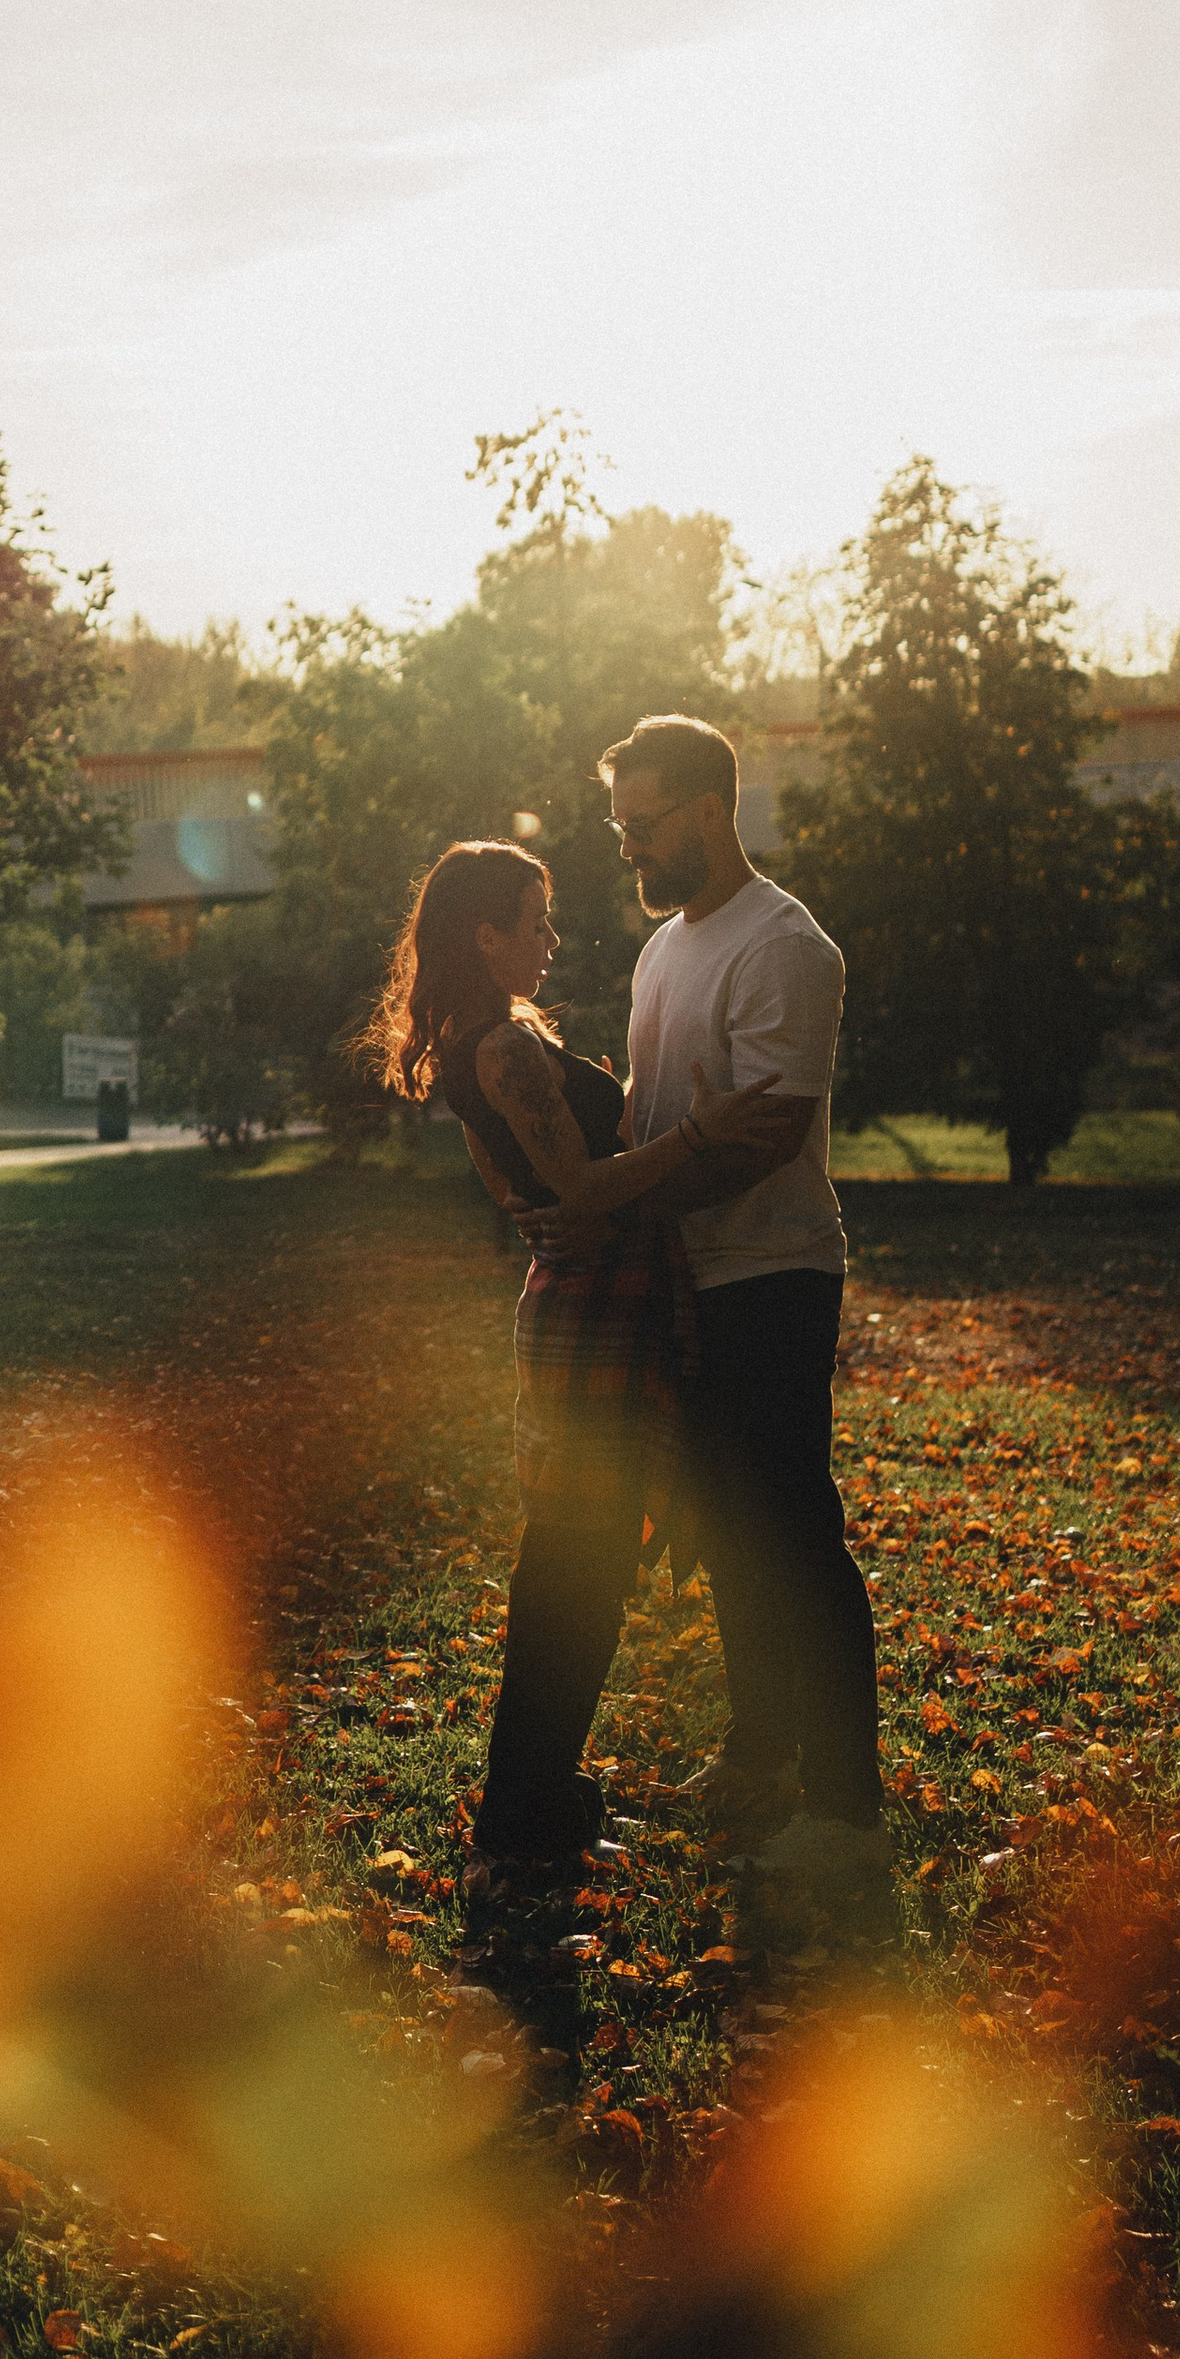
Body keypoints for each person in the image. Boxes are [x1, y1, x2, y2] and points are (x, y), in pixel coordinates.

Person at [365, 838, 813, 1874]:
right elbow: (579, 1188)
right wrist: (699, 1135)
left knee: (578, 1561)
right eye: (536, 922)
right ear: (486, 936)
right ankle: (524, 1809)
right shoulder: (503, 1048)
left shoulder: (482, 1039)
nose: (552, 940)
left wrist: (545, 1208)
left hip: (588, 1297)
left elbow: (514, 1186)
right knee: (577, 1567)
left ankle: (535, 1795)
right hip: (593, 1311)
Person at [531, 712, 885, 1927]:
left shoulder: (785, 946)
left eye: (642, 823)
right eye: (617, 825)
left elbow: (765, 1134)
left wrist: (618, 1204)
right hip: (679, 1283)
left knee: (792, 1533)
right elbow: (659, 1116)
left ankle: (844, 1813)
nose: (628, 845)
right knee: (729, 1529)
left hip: (771, 1275)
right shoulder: (662, 950)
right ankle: (760, 1751)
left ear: (708, 809)